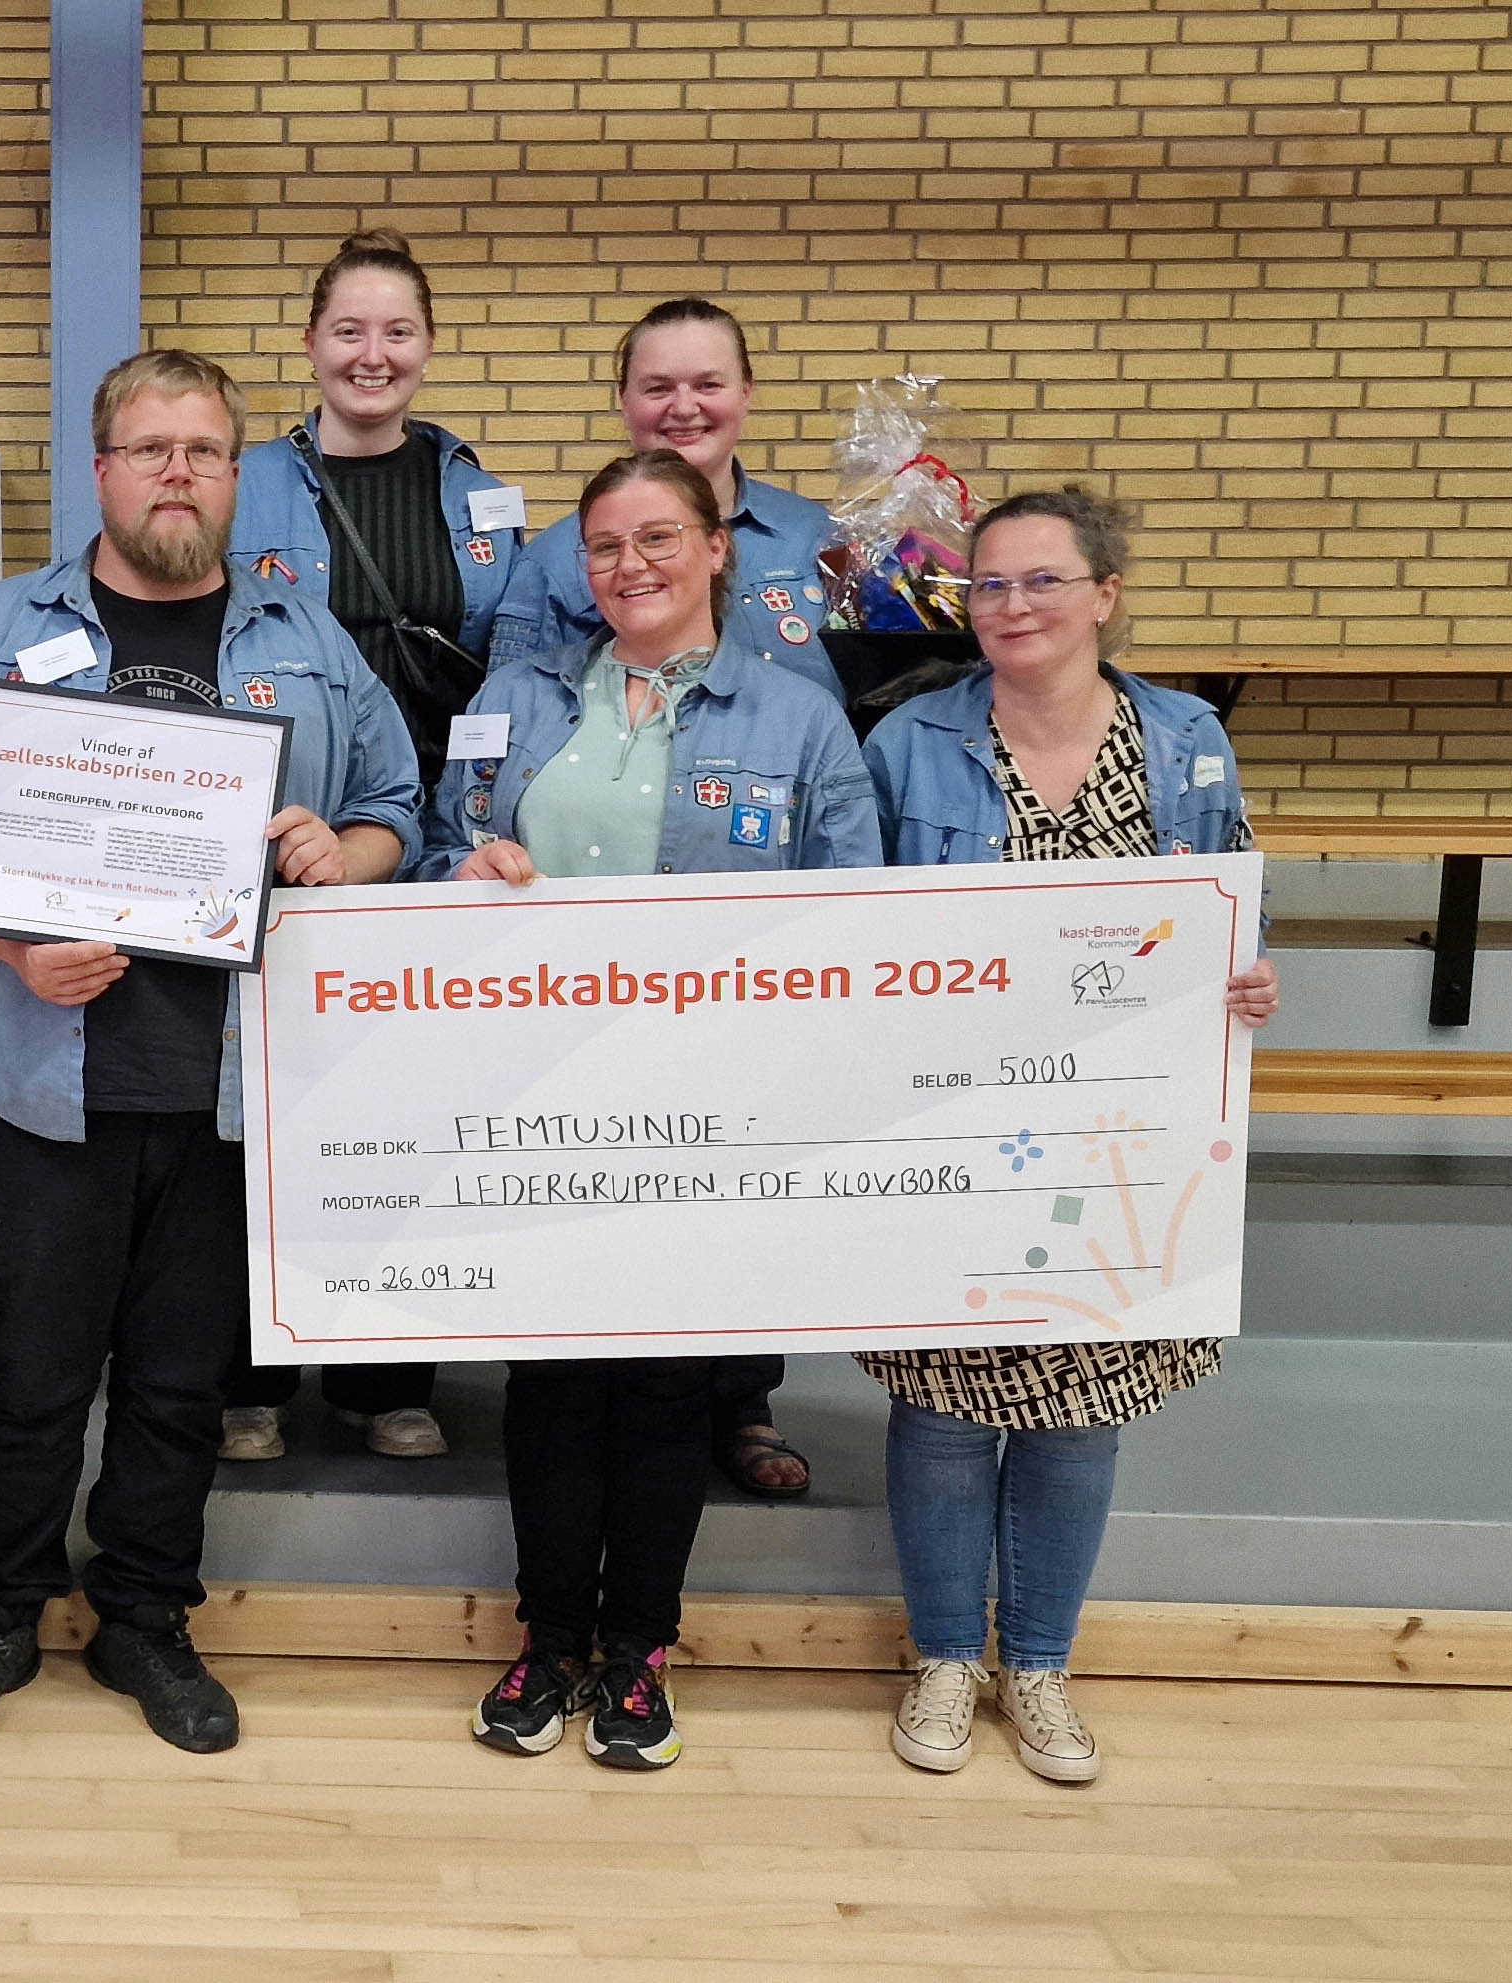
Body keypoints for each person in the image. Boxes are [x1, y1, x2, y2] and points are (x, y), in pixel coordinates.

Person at [0, 349, 421, 1757]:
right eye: (152, 448)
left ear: (237, 476)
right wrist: (8, 945)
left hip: (232, 1085)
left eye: (206, 450)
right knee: (30, 1381)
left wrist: (337, 851)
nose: (180, 472)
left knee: (181, 1387)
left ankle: (145, 1616)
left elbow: (397, 811)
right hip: (44, 1076)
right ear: (102, 469)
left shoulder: (308, 641)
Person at [426, 448, 880, 1771]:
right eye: (606, 545)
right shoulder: (514, 696)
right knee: (552, 1382)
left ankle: (638, 1652)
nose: (630, 565)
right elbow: (444, 845)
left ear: (717, 547)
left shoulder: (797, 718)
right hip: (536, 1090)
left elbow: (853, 911)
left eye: (659, 538)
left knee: (670, 1387)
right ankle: (550, 1640)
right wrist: (467, 867)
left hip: (710, 1101)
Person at [858, 484, 1279, 1786]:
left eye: (1042, 579)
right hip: (953, 1116)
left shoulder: (1186, 737)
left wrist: (1247, 975)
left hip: (1124, 1130)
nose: (1012, 604)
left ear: (1104, 593)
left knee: (1080, 1406)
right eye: (988, 583)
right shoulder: (909, 740)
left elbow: (1233, 896)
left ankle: (1037, 1664)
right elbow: (852, 927)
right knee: (940, 1402)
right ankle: (944, 1657)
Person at [486, 296, 840, 1502]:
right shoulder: (550, 571)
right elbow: (502, 752)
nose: (683, 405)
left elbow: (857, 742)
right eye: (656, 385)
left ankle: (737, 1405)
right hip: (556, 1014)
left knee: (705, 1276)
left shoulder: (826, 548)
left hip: (736, 970)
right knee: (568, 1329)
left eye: (707, 382)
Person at [220, 226, 532, 1464]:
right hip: (282, 836)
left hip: (429, 836)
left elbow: (516, 664)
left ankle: (385, 1374)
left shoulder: (476, 492)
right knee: (255, 1109)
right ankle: (246, 1374)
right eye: (349, 328)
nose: (373, 352)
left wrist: (486, 821)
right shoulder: (248, 480)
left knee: (405, 1108)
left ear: (428, 346)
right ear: (310, 343)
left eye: (398, 330)